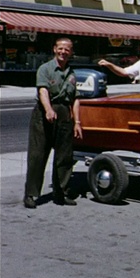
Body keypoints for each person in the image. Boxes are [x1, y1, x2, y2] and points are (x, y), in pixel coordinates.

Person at [23, 37, 83, 209]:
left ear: (71, 52)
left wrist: (77, 122)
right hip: (44, 114)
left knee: (64, 156)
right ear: (54, 49)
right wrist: (48, 109)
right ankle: (31, 194)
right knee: (37, 155)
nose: (63, 52)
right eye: (60, 48)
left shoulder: (71, 73)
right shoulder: (45, 69)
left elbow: (75, 99)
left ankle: (61, 192)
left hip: (64, 114)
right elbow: (43, 90)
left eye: (67, 49)